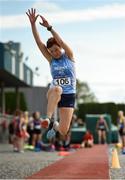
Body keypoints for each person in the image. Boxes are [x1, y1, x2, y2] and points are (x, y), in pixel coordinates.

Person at [26, 8, 76, 140]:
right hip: (54, 92)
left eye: (56, 50)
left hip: (69, 95)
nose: (55, 53)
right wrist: (33, 25)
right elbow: (39, 43)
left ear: (60, 47)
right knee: (58, 88)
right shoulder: (51, 60)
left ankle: (55, 125)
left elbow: (62, 42)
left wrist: (49, 28)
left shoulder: (69, 56)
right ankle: (47, 119)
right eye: (52, 51)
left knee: (64, 131)